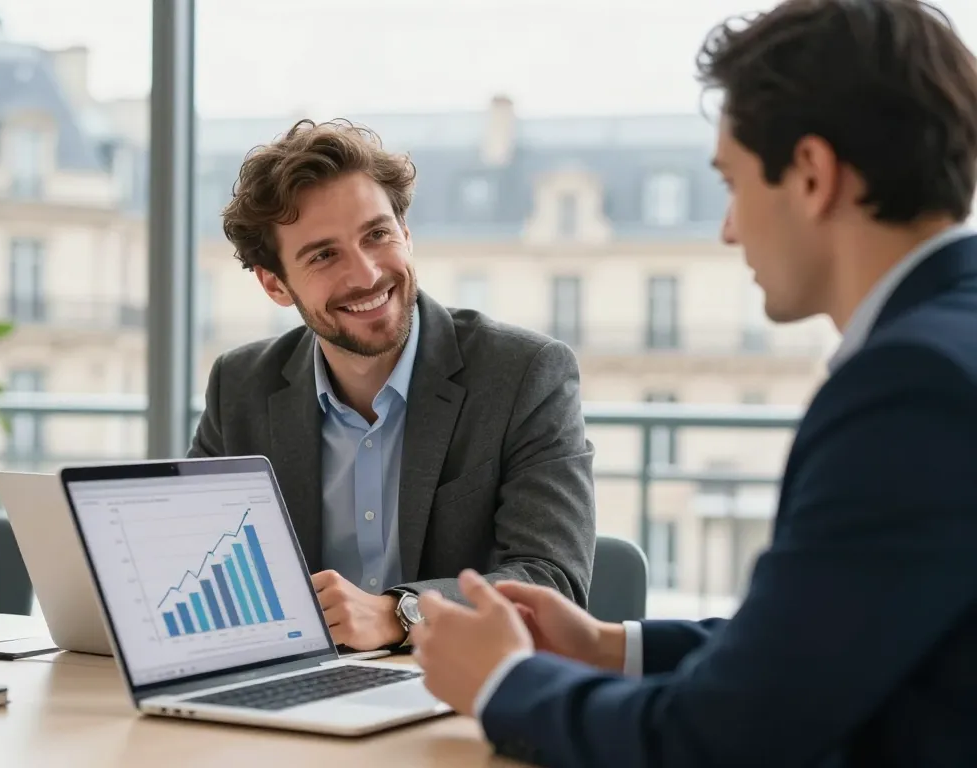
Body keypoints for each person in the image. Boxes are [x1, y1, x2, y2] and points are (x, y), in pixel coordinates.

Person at [409, 1, 977, 765]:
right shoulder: (949, 344)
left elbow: (716, 741)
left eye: (732, 183)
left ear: (812, 175)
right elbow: (819, 639)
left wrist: (503, 681)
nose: (728, 229)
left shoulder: (910, 387)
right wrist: (608, 646)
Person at [188, 119, 596, 652]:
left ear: (406, 233)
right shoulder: (239, 387)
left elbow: (552, 581)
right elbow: (189, 564)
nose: (366, 275)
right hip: (302, 685)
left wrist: (399, 613)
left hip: (460, 685)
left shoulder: (525, 375)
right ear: (275, 285)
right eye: (324, 255)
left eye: (377, 235)